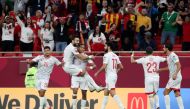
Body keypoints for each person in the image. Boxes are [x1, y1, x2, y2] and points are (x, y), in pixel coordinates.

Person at [94, 42, 125, 109]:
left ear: (109, 47)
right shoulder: (116, 56)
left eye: (105, 46)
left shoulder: (106, 55)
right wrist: (116, 71)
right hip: (114, 75)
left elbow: (104, 66)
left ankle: (122, 107)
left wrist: (97, 72)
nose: (104, 47)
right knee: (106, 92)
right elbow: (121, 67)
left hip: (110, 76)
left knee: (112, 92)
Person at [157, 44, 184, 109]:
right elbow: (169, 67)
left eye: (164, 48)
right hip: (176, 77)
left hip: (175, 77)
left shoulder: (173, 55)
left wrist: (175, 74)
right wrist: (160, 70)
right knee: (177, 93)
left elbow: (179, 65)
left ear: (167, 48)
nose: (163, 49)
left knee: (165, 92)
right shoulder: (168, 57)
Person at [71, 44, 97, 109]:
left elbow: (94, 66)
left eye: (84, 48)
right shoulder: (74, 55)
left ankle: (83, 107)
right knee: (75, 90)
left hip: (83, 77)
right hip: (75, 76)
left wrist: (90, 67)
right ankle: (74, 107)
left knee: (84, 93)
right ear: (78, 48)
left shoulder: (86, 56)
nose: (83, 49)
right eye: (82, 48)